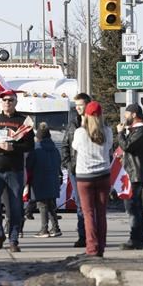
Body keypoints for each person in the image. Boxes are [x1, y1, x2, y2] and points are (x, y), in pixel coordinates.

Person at [0, 90, 35, 253]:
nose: (7, 103)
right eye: (4, 100)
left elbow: (30, 146)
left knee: (15, 207)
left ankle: (13, 239)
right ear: (1, 102)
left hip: (14, 169)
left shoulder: (23, 121)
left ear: (15, 102)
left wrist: (13, 147)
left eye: (10, 100)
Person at [71, 101, 112, 257]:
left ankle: (91, 248)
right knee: (101, 213)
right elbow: (108, 147)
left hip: (84, 176)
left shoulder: (80, 132)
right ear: (101, 115)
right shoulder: (107, 131)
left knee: (88, 214)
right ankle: (101, 247)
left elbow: (75, 146)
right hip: (103, 175)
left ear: (86, 116)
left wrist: (83, 124)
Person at [117, 103, 143, 250]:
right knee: (134, 207)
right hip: (132, 172)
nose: (124, 117)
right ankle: (137, 238)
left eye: (126, 114)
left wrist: (120, 133)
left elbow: (127, 146)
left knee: (133, 207)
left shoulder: (141, 131)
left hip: (136, 174)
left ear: (133, 114)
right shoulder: (136, 130)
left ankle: (136, 239)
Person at [61, 93, 91, 248]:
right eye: (76, 105)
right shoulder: (73, 124)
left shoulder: (97, 123)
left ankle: (94, 236)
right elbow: (65, 145)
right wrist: (69, 165)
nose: (78, 108)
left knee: (91, 204)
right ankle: (82, 236)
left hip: (93, 170)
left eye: (81, 104)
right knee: (80, 204)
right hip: (76, 170)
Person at [27, 123, 63, 238]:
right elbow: (59, 164)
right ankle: (56, 228)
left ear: (38, 137)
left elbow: (29, 165)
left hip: (40, 179)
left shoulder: (36, 149)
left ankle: (44, 229)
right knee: (51, 205)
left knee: (42, 205)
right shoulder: (55, 149)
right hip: (53, 180)